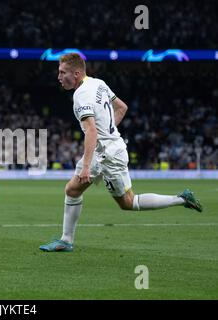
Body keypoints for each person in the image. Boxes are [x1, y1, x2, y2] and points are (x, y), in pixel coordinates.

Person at [40, 53, 203, 253]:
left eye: (62, 72)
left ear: (76, 73)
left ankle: (182, 199)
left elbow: (91, 130)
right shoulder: (99, 83)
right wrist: (106, 133)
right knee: (72, 190)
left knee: (128, 202)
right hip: (106, 150)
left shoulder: (80, 95)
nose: (59, 76)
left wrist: (87, 164)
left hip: (108, 156)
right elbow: (122, 108)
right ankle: (66, 240)